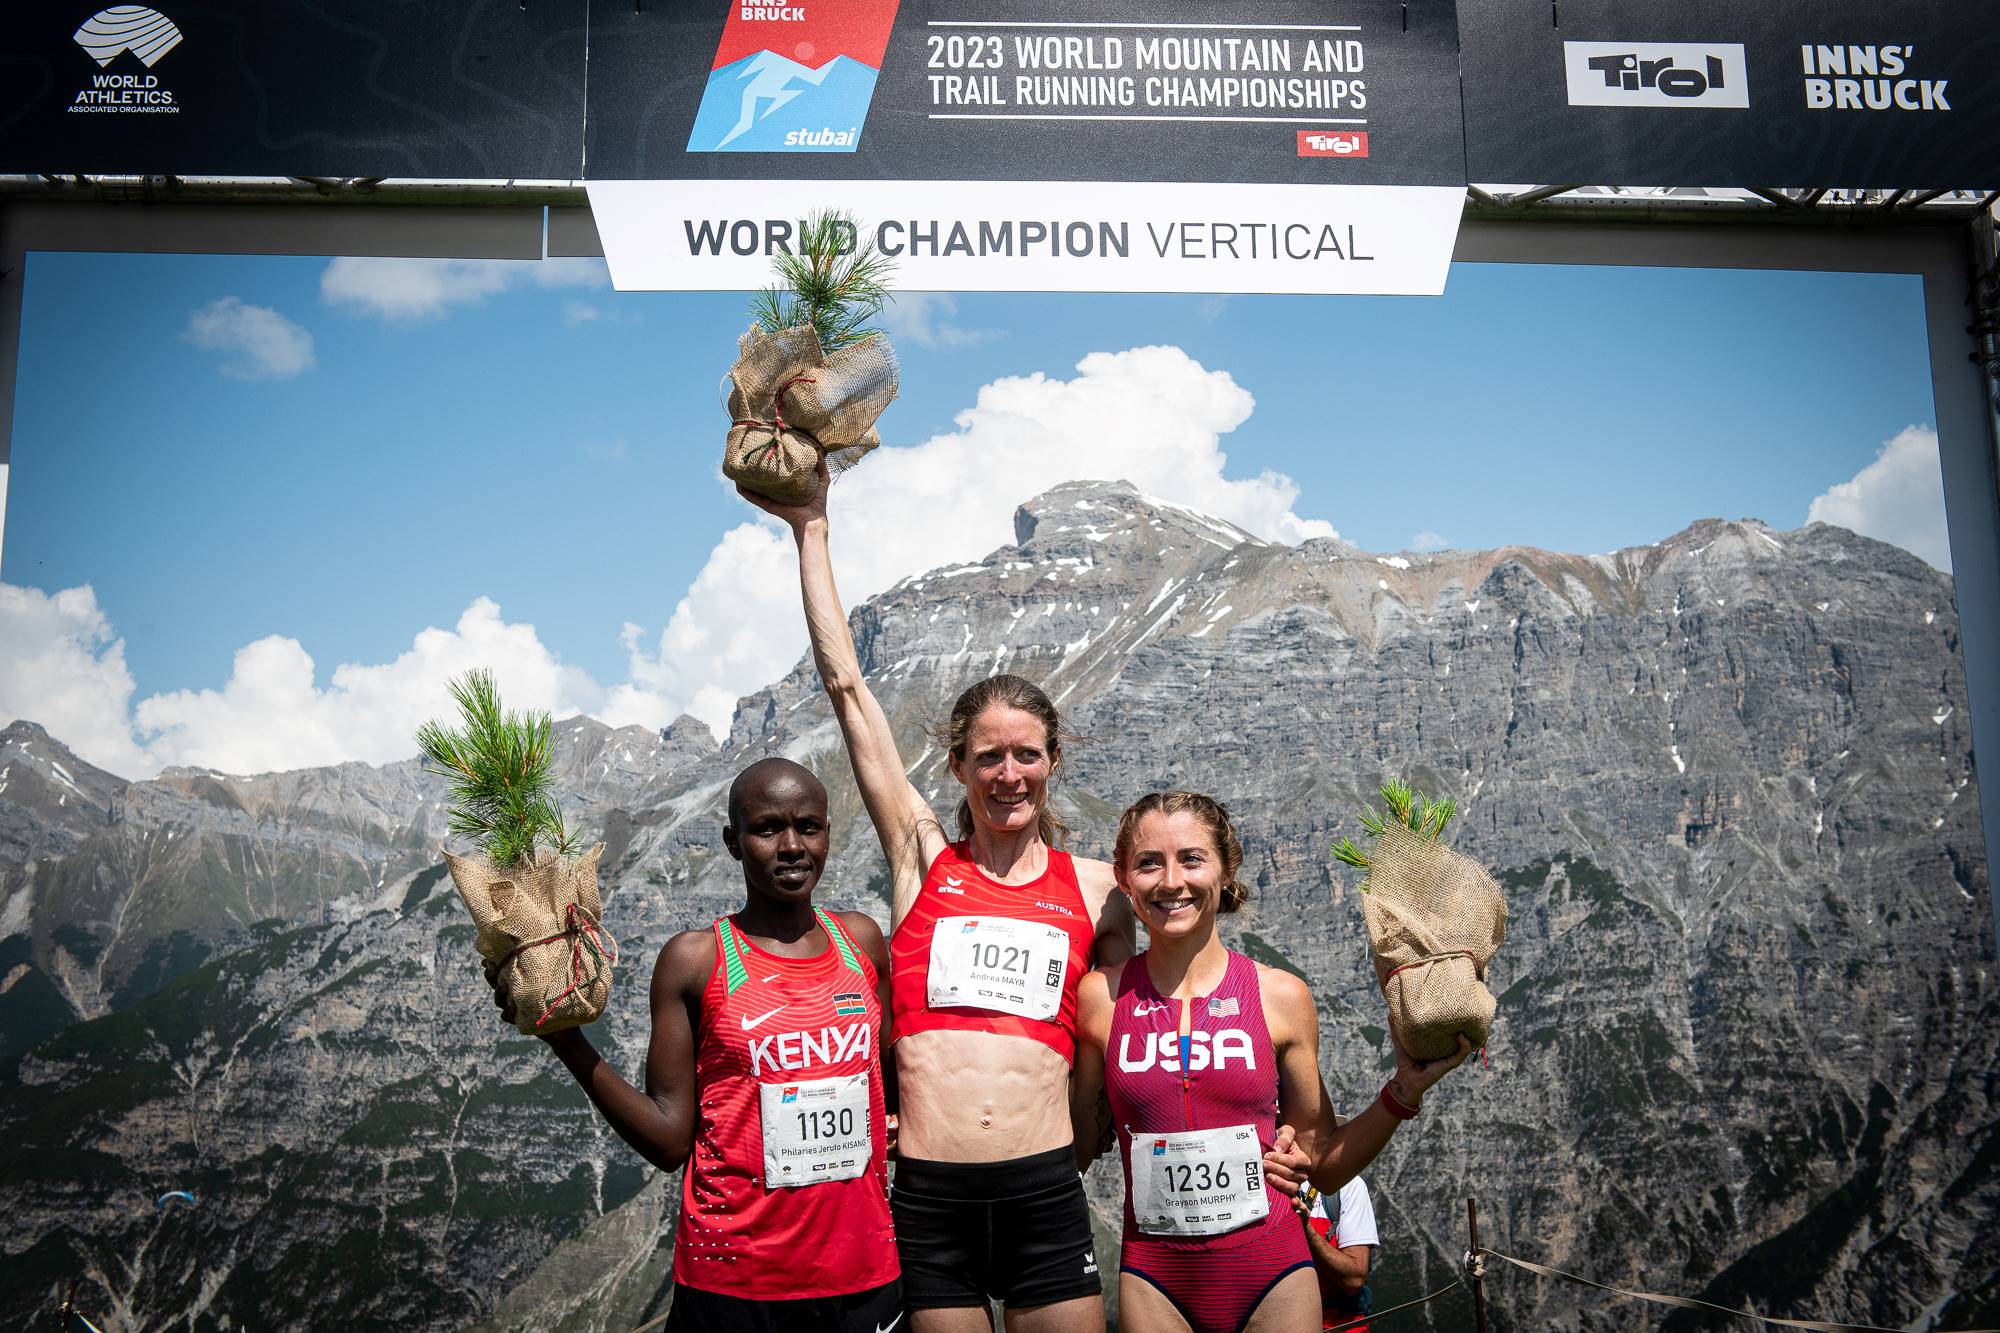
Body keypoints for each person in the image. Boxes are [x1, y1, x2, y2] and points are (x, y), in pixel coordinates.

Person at [744, 461, 1136, 1332]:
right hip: (929, 1196)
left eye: (1026, 754)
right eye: (988, 756)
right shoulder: (921, 854)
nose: (1008, 774)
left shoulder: (1103, 890)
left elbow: (1158, 1011)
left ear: (1053, 762)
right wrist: (811, 530)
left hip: (1043, 1186)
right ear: (957, 764)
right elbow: (848, 690)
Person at [486, 757, 899, 1333]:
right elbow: (668, 1141)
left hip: (867, 1274)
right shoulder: (695, 960)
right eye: (766, 828)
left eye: (809, 826)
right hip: (735, 1283)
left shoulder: (862, 943)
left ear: (828, 833)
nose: (791, 846)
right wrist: (565, 1040)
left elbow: (890, 1081)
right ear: (733, 842)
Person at [1069, 791, 1468, 1333]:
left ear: (1227, 869)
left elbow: (1321, 1163)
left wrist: (1403, 1090)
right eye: (1148, 863)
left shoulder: (1281, 997)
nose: (1170, 881)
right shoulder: (1100, 998)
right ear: (1123, 878)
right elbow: (1078, 1144)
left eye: (1191, 858)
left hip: (1273, 1275)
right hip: (1155, 1278)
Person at [1295, 1177, 1378, 1331]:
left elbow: (1355, 1279)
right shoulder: (1261, 1185)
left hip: (1338, 1325)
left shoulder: (1347, 1186)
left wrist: (1306, 1229)